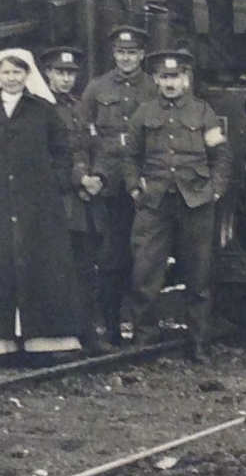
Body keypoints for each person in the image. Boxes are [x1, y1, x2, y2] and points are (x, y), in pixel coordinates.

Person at [0, 49, 84, 356]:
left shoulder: (42, 110)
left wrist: (52, 184)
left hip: (38, 205)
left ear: (27, 75)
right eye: (5, 73)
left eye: (17, 73)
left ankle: (46, 338)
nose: (11, 79)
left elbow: (61, 152)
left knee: (41, 265)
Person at [125, 49, 234, 356]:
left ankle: (199, 341)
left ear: (186, 79)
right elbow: (130, 157)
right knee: (145, 271)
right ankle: (144, 338)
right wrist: (135, 187)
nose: (170, 83)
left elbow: (221, 156)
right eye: (164, 77)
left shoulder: (203, 113)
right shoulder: (144, 114)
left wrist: (215, 190)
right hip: (155, 203)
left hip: (196, 203)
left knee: (198, 276)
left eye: (176, 77)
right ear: (156, 80)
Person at [76, 26, 152, 343]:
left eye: (132, 53)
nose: (126, 58)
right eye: (121, 53)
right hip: (107, 183)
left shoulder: (152, 88)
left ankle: (143, 325)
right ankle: (110, 326)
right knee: (110, 257)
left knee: (145, 256)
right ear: (113, 54)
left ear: (142, 55)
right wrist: (86, 172)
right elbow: (82, 136)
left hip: (143, 183)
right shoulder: (96, 88)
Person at [42, 45, 108, 348]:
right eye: (60, 73)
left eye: (70, 73)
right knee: (61, 268)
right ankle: (67, 331)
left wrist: (99, 176)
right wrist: (80, 178)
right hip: (60, 202)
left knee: (85, 268)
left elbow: (96, 146)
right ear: (48, 74)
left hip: (86, 203)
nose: (66, 79)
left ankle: (86, 331)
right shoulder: (41, 109)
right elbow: (48, 157)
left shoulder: (80, 107)